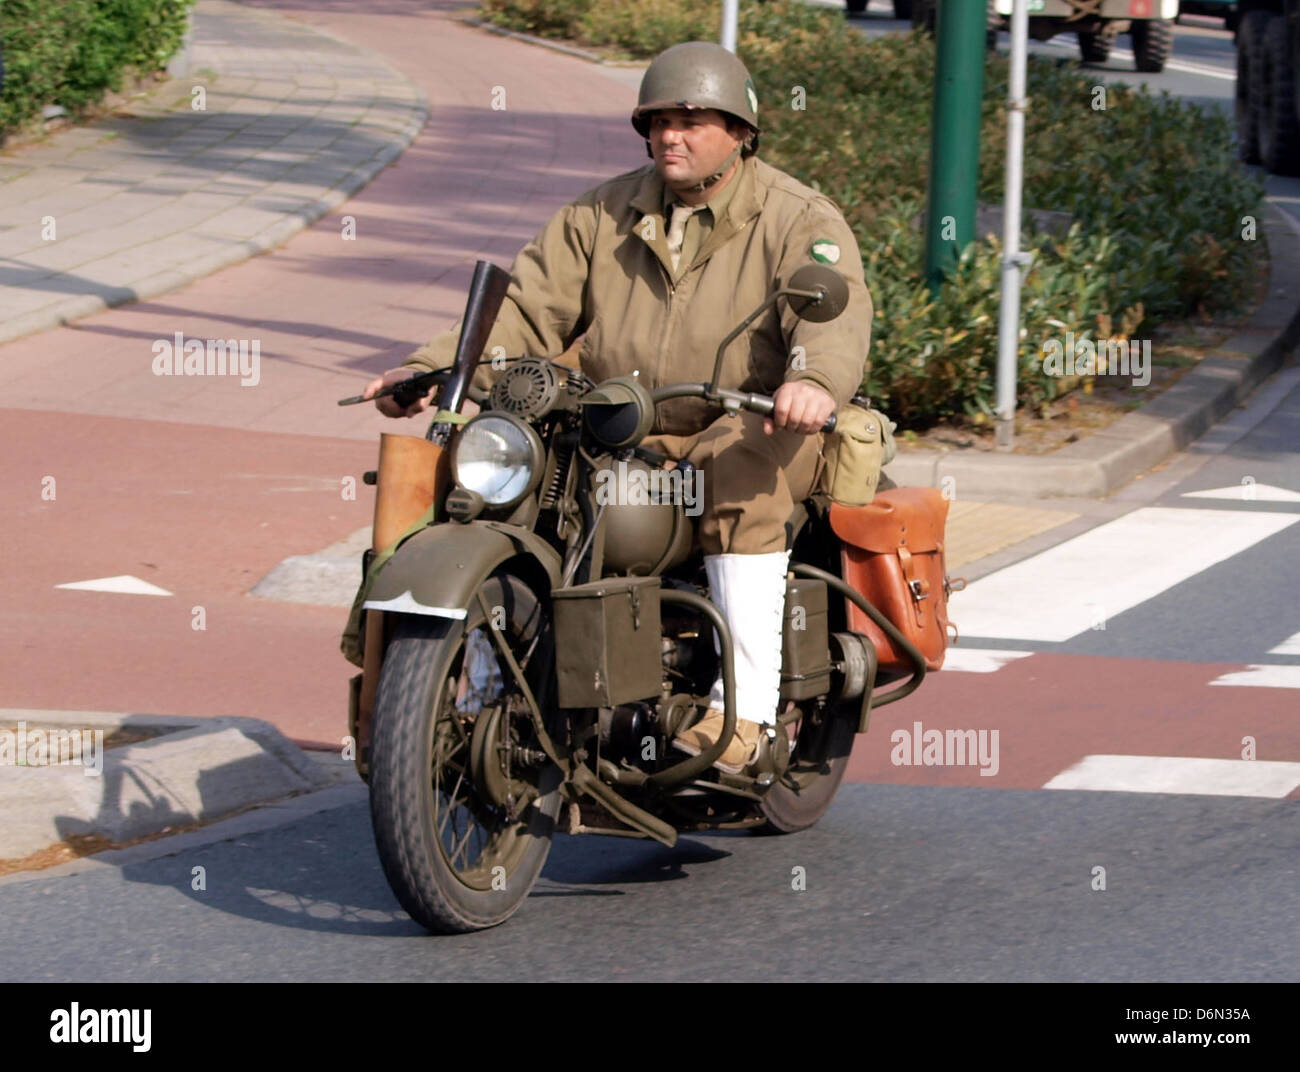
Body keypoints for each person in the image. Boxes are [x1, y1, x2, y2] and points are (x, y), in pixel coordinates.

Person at [361, 40, 872, 773]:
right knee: (506, 479)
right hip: (620, 424)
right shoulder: (601, 214)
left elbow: (830, 321)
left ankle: (745, 716)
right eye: (659, 120)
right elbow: (528, 310)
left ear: (741, 132)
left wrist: (811, 383)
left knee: (736, 478)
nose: (672, 135)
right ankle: (480, 683)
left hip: (746, 423)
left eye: (694, 119)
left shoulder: (796, 218)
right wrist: (430, 369)